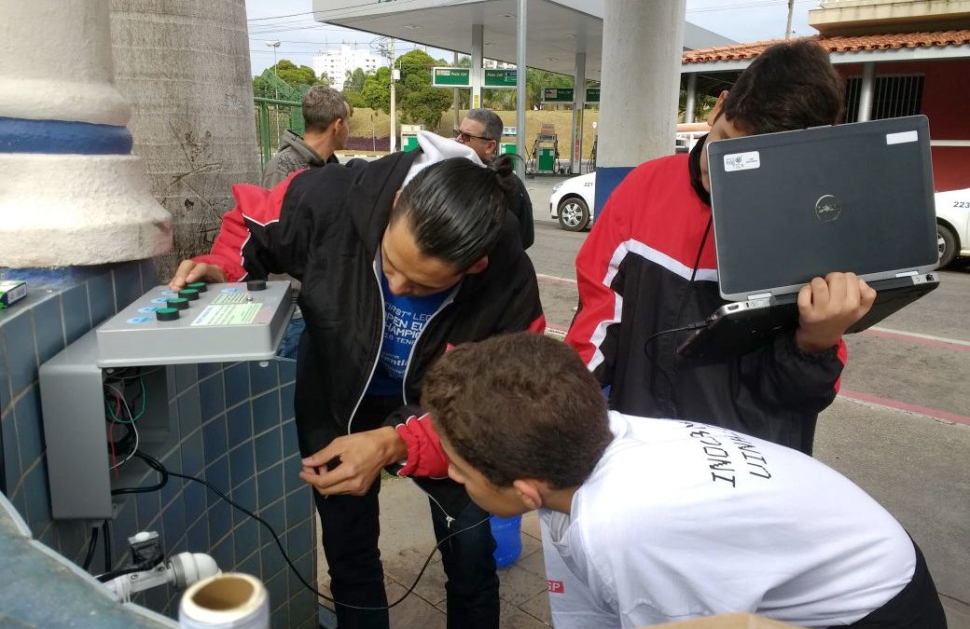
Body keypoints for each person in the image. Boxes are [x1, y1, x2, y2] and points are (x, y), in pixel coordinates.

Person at [169, 132, 545, 629]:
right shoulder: (327, 197)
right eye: (390, 264)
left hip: (443, 412)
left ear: (473, 267)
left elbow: (497, 401)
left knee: (471, 551)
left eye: (422, 286)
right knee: (349, 555)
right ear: (393, 207)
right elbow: (252, 222)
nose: (397, 288)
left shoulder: (508, 281)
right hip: (337, 397)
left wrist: (396, 443)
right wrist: (222, 266)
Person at [418, 332, 947, 629]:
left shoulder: (621, 528)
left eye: (460, 472)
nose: (457, 480)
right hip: (870, 548)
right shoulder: (602, 433)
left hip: (879, 609)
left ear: (526, 490)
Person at [565, 40, 877, 455]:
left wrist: (816, 341)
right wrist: (565, 414)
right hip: (644, 452)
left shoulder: (812, 224)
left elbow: (804, 396)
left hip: (752, 467)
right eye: (724, 139)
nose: (722, 167)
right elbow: (595, 327)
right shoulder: (643, 186)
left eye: (751, 161)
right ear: (719, 106)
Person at [261, 85, 351, 358]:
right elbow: (276, 238)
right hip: (296, 307)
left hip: (324, 301)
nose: (349, 128)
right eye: (348, 122)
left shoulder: (334, 169)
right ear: (337, 125)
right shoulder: (284, 167)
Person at [456, 108, 535, 249]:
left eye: (466, 137)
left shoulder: (511, 186)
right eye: (458, 133)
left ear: (490, 146)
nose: (458, 140)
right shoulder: (450, 174)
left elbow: (525, 237)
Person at [261, 84, 350, 187]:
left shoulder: (332, 166)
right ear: (337, 125)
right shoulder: (282, 168)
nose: (348, 130)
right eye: (348, 123)